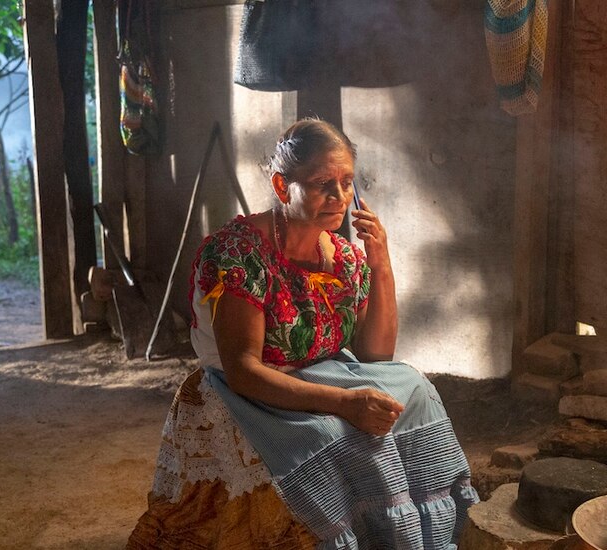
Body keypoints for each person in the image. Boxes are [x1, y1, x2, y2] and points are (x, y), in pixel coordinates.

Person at [127, 119, 477, 549]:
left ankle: (411, 537)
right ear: (281, 185)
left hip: (318, 372)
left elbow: (376, 354)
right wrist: (346, 402)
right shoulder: (238, 253)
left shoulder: (345, 257)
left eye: (347, 182)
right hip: (244, 387)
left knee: (415, 390)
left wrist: (381, 262)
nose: (339, 197)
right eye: (321, 184)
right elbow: (243, 371)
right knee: (332, 434)